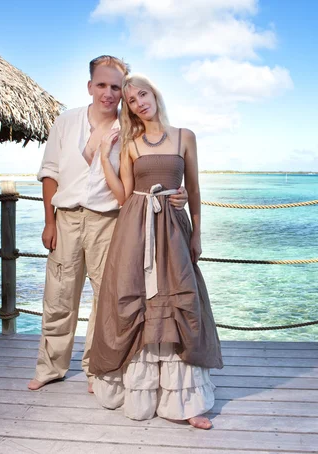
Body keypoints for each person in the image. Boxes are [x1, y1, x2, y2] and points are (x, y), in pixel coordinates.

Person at [28, 56, 188, 393]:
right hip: (67, 219)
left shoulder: (130, 130)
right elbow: (50, 173)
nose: (108, 93)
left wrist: (179, 194)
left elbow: (150, 175)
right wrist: (49, 223)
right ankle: (50, 367)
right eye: (102, 85)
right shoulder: (66, 122)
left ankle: (95, 368)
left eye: (116, 87)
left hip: (110, 222)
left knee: (107, 301)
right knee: (58, 297)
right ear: (90, 86)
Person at [89, 73, 223, 430]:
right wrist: (106, 157)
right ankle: (139, 394)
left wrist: (197, 233)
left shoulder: (185, 136)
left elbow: (193, 189)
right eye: (131, 100)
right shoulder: (131, 143)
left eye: (142, 95)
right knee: (136, 302)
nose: (139, 103)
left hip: (175, 228)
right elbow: (123, 195)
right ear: (129, 108)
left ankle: (186, 401)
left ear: (154, 94)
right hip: (136, 227)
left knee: (181, 300)